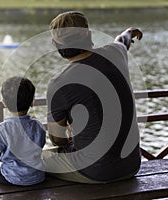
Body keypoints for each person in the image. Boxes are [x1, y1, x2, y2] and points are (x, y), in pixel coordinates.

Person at [43, 11, 143, 183]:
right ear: (88, 35)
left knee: (31, 159)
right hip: (131, 165)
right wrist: (129, 32)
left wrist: (70, 129)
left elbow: (57, 139)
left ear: (56, 44)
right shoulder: (116, 53)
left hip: (96, 172)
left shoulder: (59, 83)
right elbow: (122, 42)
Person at [0, 76, 46, 186]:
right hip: (37, 176)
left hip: (14, 177)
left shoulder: (2, 129)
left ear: (4, 103)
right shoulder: (38, 126)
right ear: (32, 102)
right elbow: (40, 146)